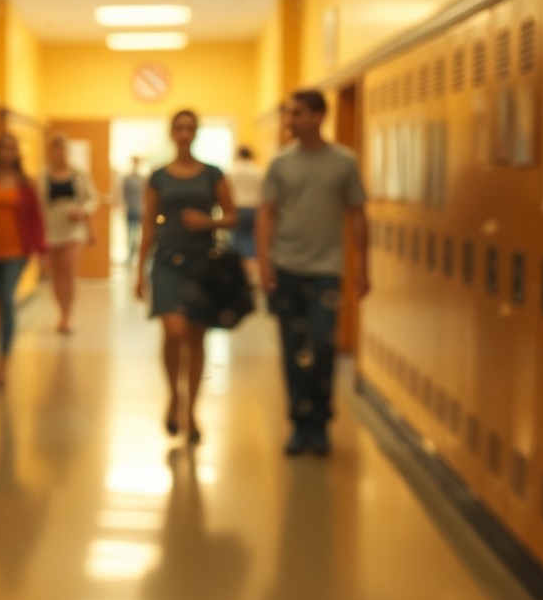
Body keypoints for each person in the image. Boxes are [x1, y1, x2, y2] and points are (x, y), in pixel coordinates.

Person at [256, 90, 370, 457]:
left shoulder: (344, 162)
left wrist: (364, 265)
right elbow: (267, 214)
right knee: (292, 349)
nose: (290, 121)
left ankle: (320, 421)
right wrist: (263, 262)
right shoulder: (280, 163)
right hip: (287, 266)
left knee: (322, 345)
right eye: (289, 114)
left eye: (298, 114)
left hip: (326, 269)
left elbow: (356, 214)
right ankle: (299, 424)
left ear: (319, 116)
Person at [134, 110, 237, 444]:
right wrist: (139, 270)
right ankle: (173, 396)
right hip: (166, 261)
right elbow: (149, 223)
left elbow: (233, 216)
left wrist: (208, 223)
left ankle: (191, 410)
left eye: (190, 128)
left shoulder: (212, 174)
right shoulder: (158, 176)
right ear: (171, 133)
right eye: (178, 127)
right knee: (173, 331)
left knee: (196, 338)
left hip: (202, 264)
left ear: (196, 133)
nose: (184, 133)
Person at [0, 132, 47, 390]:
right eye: (3, 148)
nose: (7, 153)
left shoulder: (26, 185)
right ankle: (3, 348)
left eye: (11, 148)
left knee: (6, 300)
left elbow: (35, 219)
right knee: (0, 302)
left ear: (17, 153)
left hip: (17, 251)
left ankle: (3, 360)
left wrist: (41, 251)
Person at [43, 134, 98, 334]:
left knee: (69, 272)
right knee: (56, 275)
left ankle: (68, 315)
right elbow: (38, 206)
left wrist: (82, 211)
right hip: (50, 231)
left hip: (74, 230)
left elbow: (93, 199)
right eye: (56, 148)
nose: (60, 153)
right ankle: (61, 310)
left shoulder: (78, 174)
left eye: (63, 148)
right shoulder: (43, 175)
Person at [227, 146, 266, 287]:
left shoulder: (233, 170)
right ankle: (252, 275)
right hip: (254, 209)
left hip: (237, 208)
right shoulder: (258, 171)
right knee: (251, 241)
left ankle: (241, 275)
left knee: (237, 242)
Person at [121, 156, 147, 265]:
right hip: (130, 209)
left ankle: (137, 256)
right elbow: (124, 194)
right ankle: (129, 256)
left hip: (140, 209)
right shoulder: (127, 178)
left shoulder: (143, 179)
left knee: (137, 234)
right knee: (129, 234)